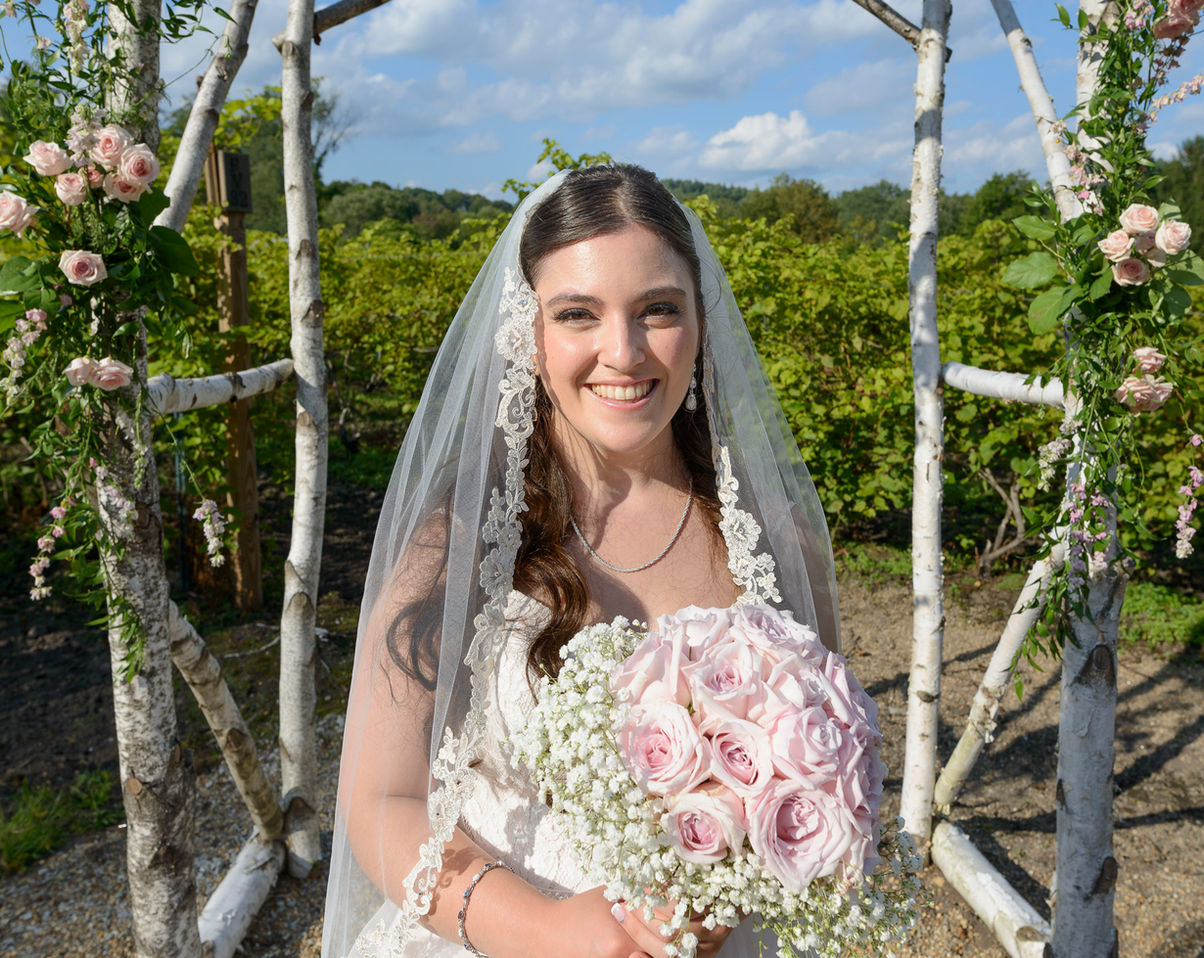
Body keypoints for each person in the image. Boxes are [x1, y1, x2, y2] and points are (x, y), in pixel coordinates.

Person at [321, 165, 841, 958]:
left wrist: (738, 892)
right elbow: (378, 801)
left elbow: (823, 766)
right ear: (529, 335)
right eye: (577, 315)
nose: (622, 353)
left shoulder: (773, 544)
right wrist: (543, 930)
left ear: (702, 323)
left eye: (657, 310)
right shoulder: (456, 543)